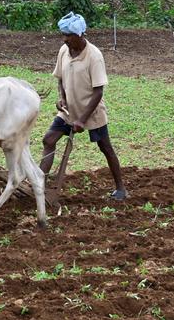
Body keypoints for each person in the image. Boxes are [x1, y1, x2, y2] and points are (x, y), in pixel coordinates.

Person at [39, 11, 127, 200]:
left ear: (79, 35)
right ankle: (40, 184)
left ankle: (121, 188)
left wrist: (82, 120)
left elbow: (98, 92)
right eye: (63, 35)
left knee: (105, 147)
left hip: (92, 112)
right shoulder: (64, 51)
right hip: (69, 110)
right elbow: (60, 79)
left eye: (68, 35)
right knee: (48, 140)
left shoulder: (94, 56)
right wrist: (62, 98)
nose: (64, 39)